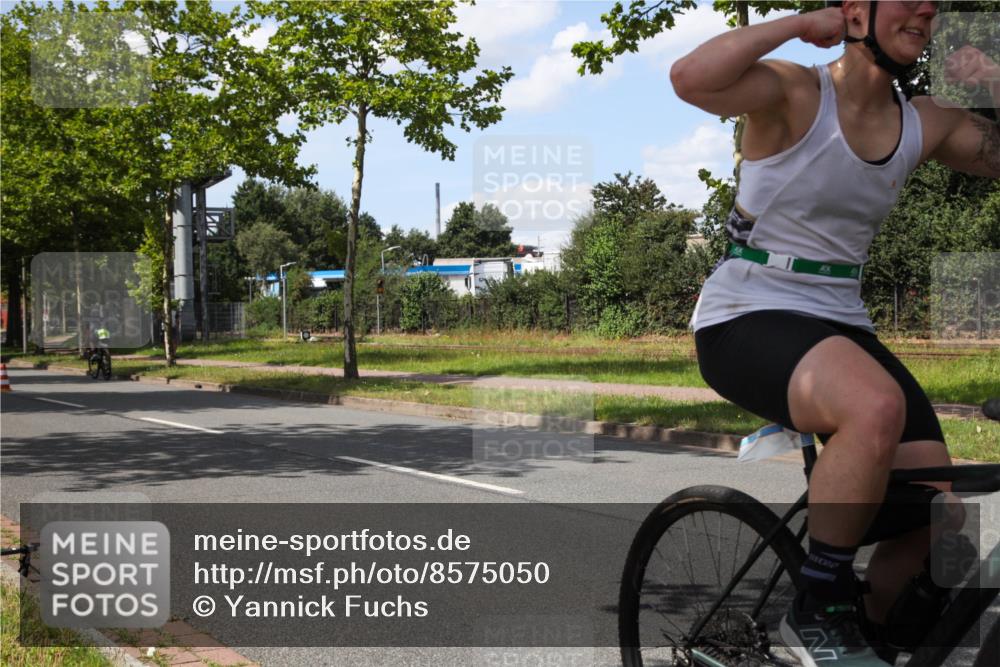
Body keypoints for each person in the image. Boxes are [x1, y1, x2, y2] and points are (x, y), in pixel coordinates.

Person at [671, 1, 999, 665]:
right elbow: (690, 77)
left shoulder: (924, 120)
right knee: (871, 405)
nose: (928, 9)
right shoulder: (796, 90)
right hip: (745, 312)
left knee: (938, 517)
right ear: (857, 11)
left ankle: (871, 641)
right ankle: (817, 607)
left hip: (839, 325)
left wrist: (993, 83)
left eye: (932, 3)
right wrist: (798, 23)